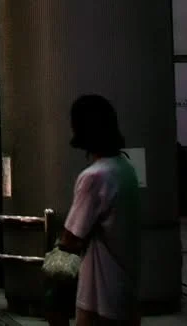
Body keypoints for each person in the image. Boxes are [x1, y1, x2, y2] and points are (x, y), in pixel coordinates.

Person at [55, 95, 141, 326]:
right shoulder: (126, 169)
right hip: (126, 287)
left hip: (99, 294)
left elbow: (71, 239)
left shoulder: (94, 177)